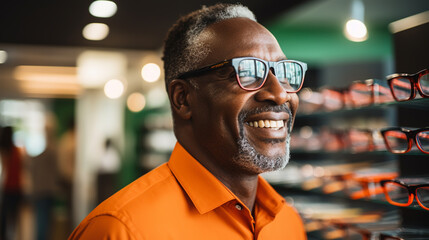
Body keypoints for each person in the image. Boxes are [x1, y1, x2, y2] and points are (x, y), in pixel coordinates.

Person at [69, 3, 308, 239]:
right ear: (183, 99)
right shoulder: (121, 230)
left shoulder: (287, 223)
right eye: (247, 73)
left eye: (284, 73)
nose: (279, 93)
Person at [0, 126, 24, 240]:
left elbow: (4, 171)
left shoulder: (5, 150)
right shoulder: (16, 150)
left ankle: (5, 236)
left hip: (8, 187)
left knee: (4, 215)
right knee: (14, 216)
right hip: (17, 186)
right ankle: (13, 236)